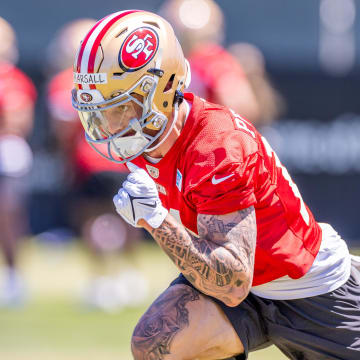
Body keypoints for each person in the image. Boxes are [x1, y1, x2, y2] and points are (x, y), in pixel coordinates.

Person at [71, 10, 360, 360]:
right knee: (155, 343)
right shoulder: (152, 137)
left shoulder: (216, 145)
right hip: (241, 286)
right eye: (101, 112)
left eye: (120, 109)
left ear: (160, 91)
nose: (109, 125)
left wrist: (157, 221)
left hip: (307, 288)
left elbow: (232, 281)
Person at [46, 19, 146, 311]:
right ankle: (129, 276)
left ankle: (104, 279)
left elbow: (63, 128)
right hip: (121, 157)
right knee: (131, 216)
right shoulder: (115, 76)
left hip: (89, 160)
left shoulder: (64, 81)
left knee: (92, 219)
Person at [0, 16, 37, 306]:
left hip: (6, 154)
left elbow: (16, 122)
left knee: (8, 217)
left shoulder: (12, 80)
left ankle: (13, 276)